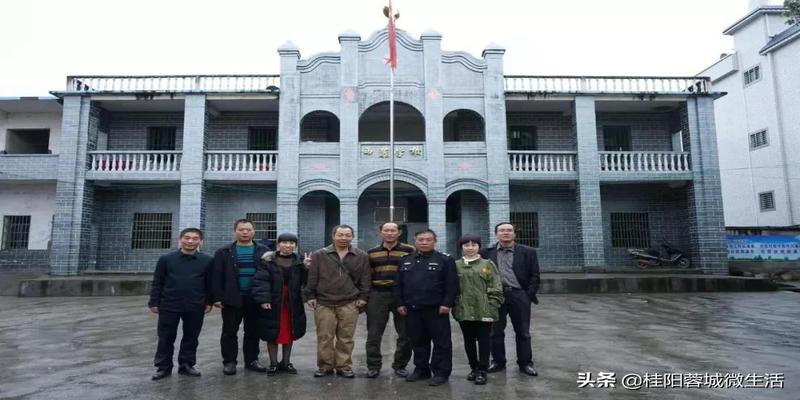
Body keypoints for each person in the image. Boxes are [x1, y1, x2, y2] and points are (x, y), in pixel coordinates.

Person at [303, 224, 371, 378]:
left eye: (347, 235)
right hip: (324, 301)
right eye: (340, 235)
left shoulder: (361, 255)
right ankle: (325, 366)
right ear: (333, 236)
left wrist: (363, 297)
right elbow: (312, 276)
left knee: (346, 337)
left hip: (350, 302)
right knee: (324, 337)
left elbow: (366, 278)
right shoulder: (320, 254)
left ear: (352, 237)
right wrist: (310, 296)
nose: (344, 238)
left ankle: (344, 366)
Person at [395, 229, 459, 386]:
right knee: (418, 341)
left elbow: (452, 285)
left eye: (428, 239)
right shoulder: (405, 260)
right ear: (415, 241)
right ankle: (421, 369)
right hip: (412, 309)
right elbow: (398, 285)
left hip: (436, 309)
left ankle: (441, 372)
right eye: (421, 239)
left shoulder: (445, 260)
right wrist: (400, 303)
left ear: (434, 241)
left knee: (441, 343)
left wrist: (447, 303)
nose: (424, 242)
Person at [148, 227, 213, 380]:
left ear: (200, 242)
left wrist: (209, 301)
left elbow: (209, 283)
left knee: (191, 336)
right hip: (169, 303)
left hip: (195, 304)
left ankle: (187, 365)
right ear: (180, 240)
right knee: (165, 336)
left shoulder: (207, 260)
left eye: (195, 238)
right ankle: (163, 367)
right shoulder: (166, 259)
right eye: (187, 238)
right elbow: (158, 281)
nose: (190, 241)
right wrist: (154, 301)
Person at [210, 219, 271, 375]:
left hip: (255, 298)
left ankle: (252, 360)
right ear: (235, 231)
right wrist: (216, 297)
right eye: (241, 229)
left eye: (248, 229)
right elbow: (216, 276)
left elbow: (270, 274)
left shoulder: (264, 251)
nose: (245, 232)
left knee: (253, 331)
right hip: (232, 298)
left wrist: (266, 297)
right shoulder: (224, 252)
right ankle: (229, 362)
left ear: (254, 231)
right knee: (229, 331)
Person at [480, 222, 541, 377]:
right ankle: (498, 362)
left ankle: (525, 363)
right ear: (496, 234)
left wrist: (527, 295)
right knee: (495, 331)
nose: (505, 233)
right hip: (495, 296)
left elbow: (535, 275)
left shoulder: (528, 252)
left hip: (519, 294)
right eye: (502, 230)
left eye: (509, 230)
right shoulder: (486, 252)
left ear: (514, 234)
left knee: (522, 331)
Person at [251, 233, 308, 375]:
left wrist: (307, 268)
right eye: (284, 242)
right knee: (272, 332)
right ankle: (273, 363)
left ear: (295, 245)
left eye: (291, 243)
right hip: (274, 301)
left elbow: (306, 281)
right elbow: (260, 281)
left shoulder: (300, 260)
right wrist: (264, 299)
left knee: (290, 331)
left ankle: (286, 362)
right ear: (278, 244)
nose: (288, 246)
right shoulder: (268, 260)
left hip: (292, 302)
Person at [365, 222, 415, 378]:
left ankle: (400, 365)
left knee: (405, 333)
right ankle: (373, 366)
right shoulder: (371, 253)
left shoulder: (410, 251)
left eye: (393, 230)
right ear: (380, 232)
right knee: (374, 333)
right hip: (377, 295)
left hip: (402, 296)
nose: (389, 233)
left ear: (399, 232)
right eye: (386, 230)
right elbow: (367, 276)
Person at [452, 234, 504, 385]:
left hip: (484, 310)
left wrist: (492, 304)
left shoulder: (487, 264)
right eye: (466, 245)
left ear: (478, 247)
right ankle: (473, 368)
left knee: (484, 340)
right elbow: (452, 287)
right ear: (461, 247)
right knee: (468, 341)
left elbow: (496, 285)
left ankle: (483, 370)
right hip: (464, 310)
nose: (470, 248)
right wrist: (456, 305)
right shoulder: (456, 265)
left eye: (473, 245)